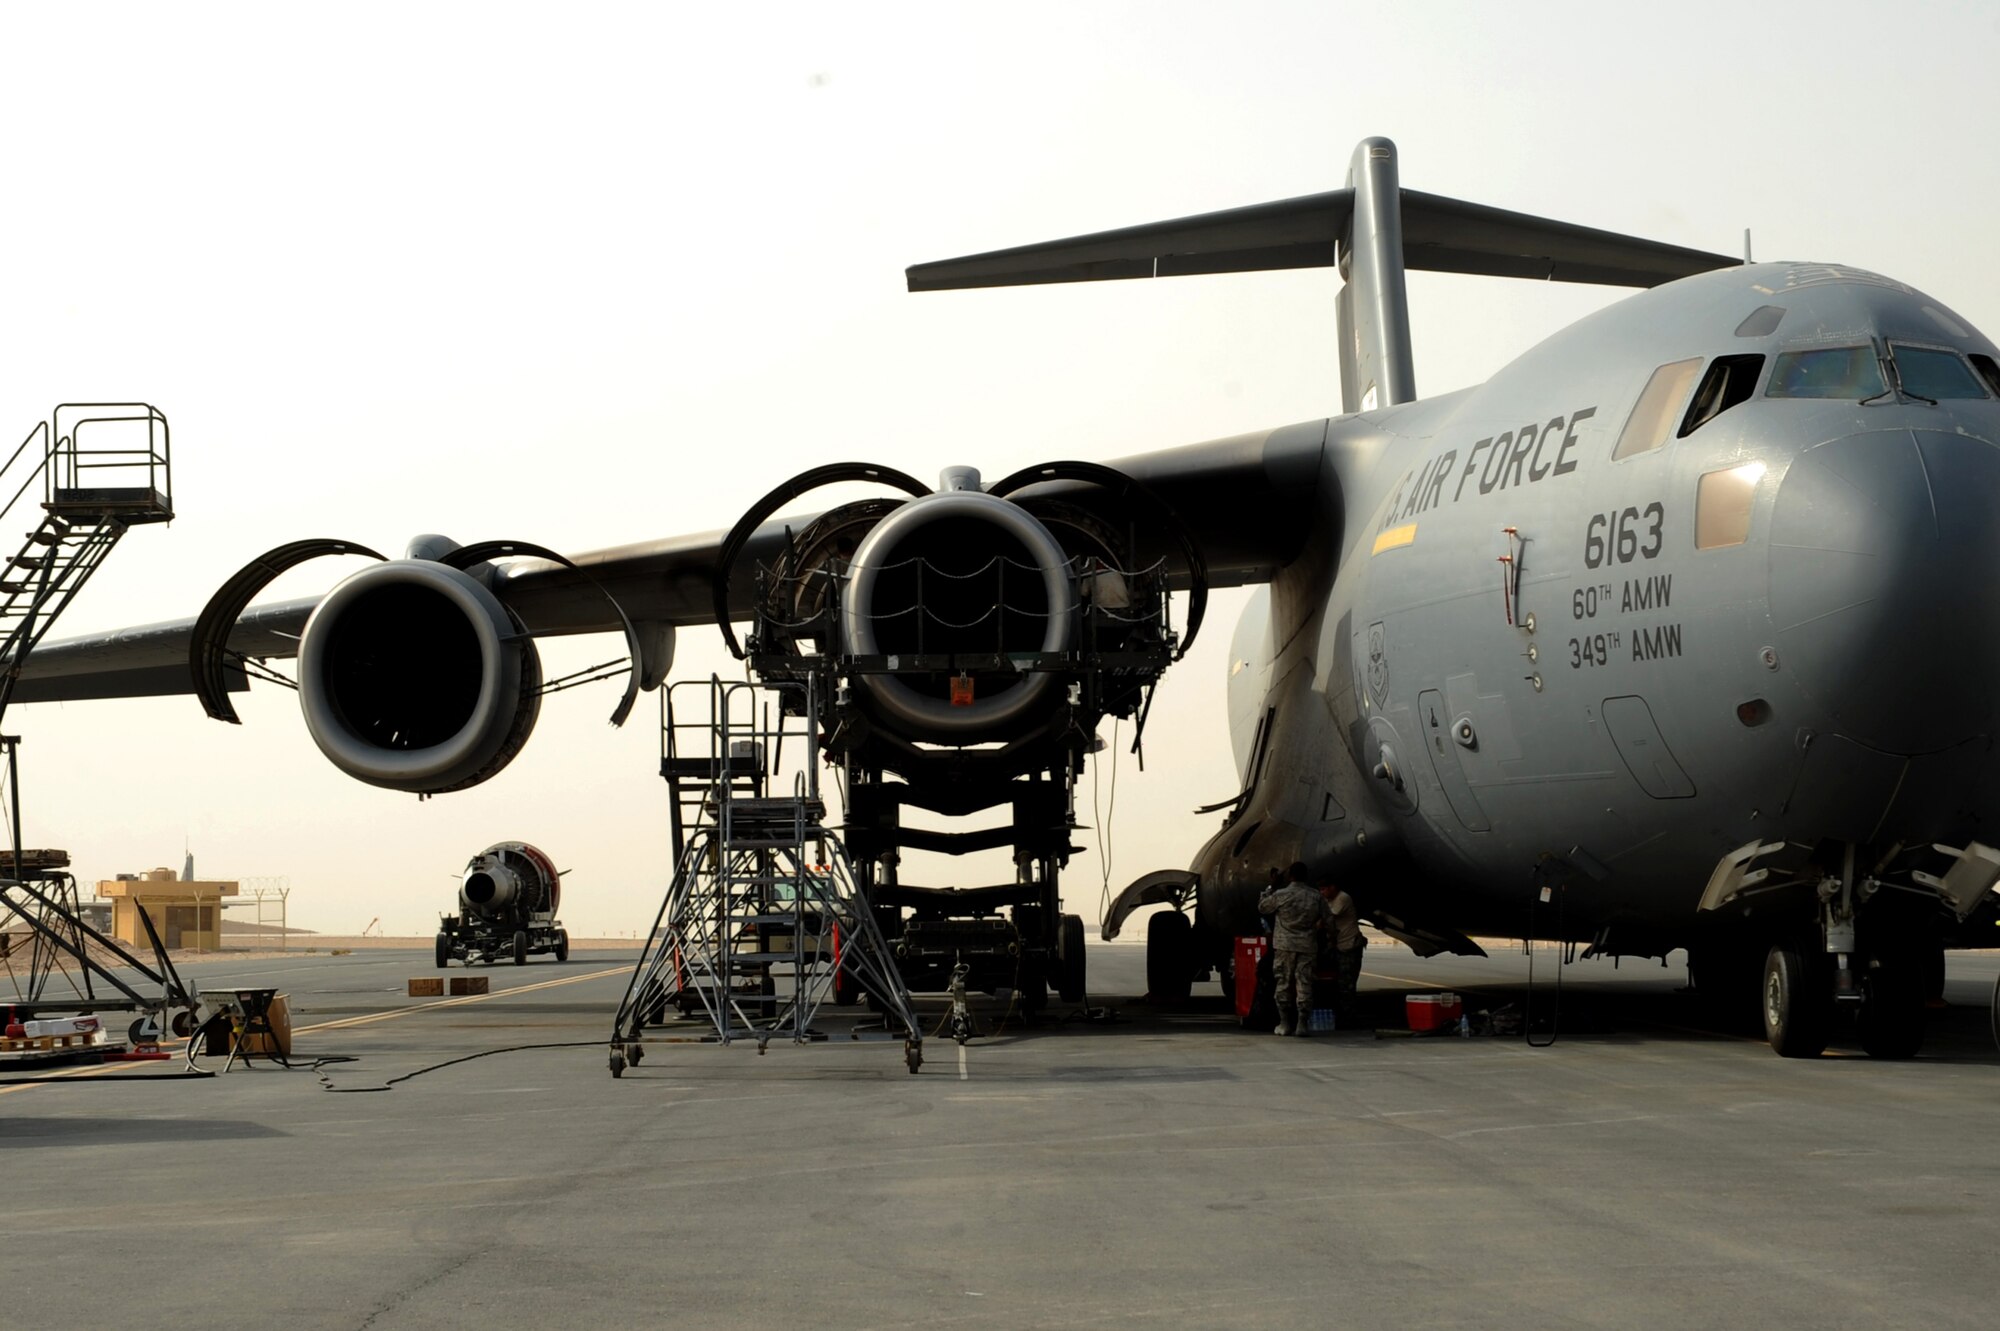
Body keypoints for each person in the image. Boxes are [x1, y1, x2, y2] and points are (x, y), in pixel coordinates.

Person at [1257, 861, 1329, 1037]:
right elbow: (1328, 919)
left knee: (1283, 983)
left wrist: (1271, 886)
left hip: (1284, 946)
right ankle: (1302, 1024)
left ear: (1290, 876)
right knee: (1304, 983)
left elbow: (1262, 907)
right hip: (1307, 945)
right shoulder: (1316, 896)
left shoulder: (1281, 894)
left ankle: (1284, 1023)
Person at [1319, 883, 1365, 1013]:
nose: (1321, 893)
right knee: (1339, 983)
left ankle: (1348, 1015)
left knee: (1347, 984)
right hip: (1340, 946)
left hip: (1349, 946)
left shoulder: (1343, 898)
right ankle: (1343, 1012)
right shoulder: (1329, 900)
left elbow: (1330, 915)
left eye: (1323, 889)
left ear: (1332, 887)